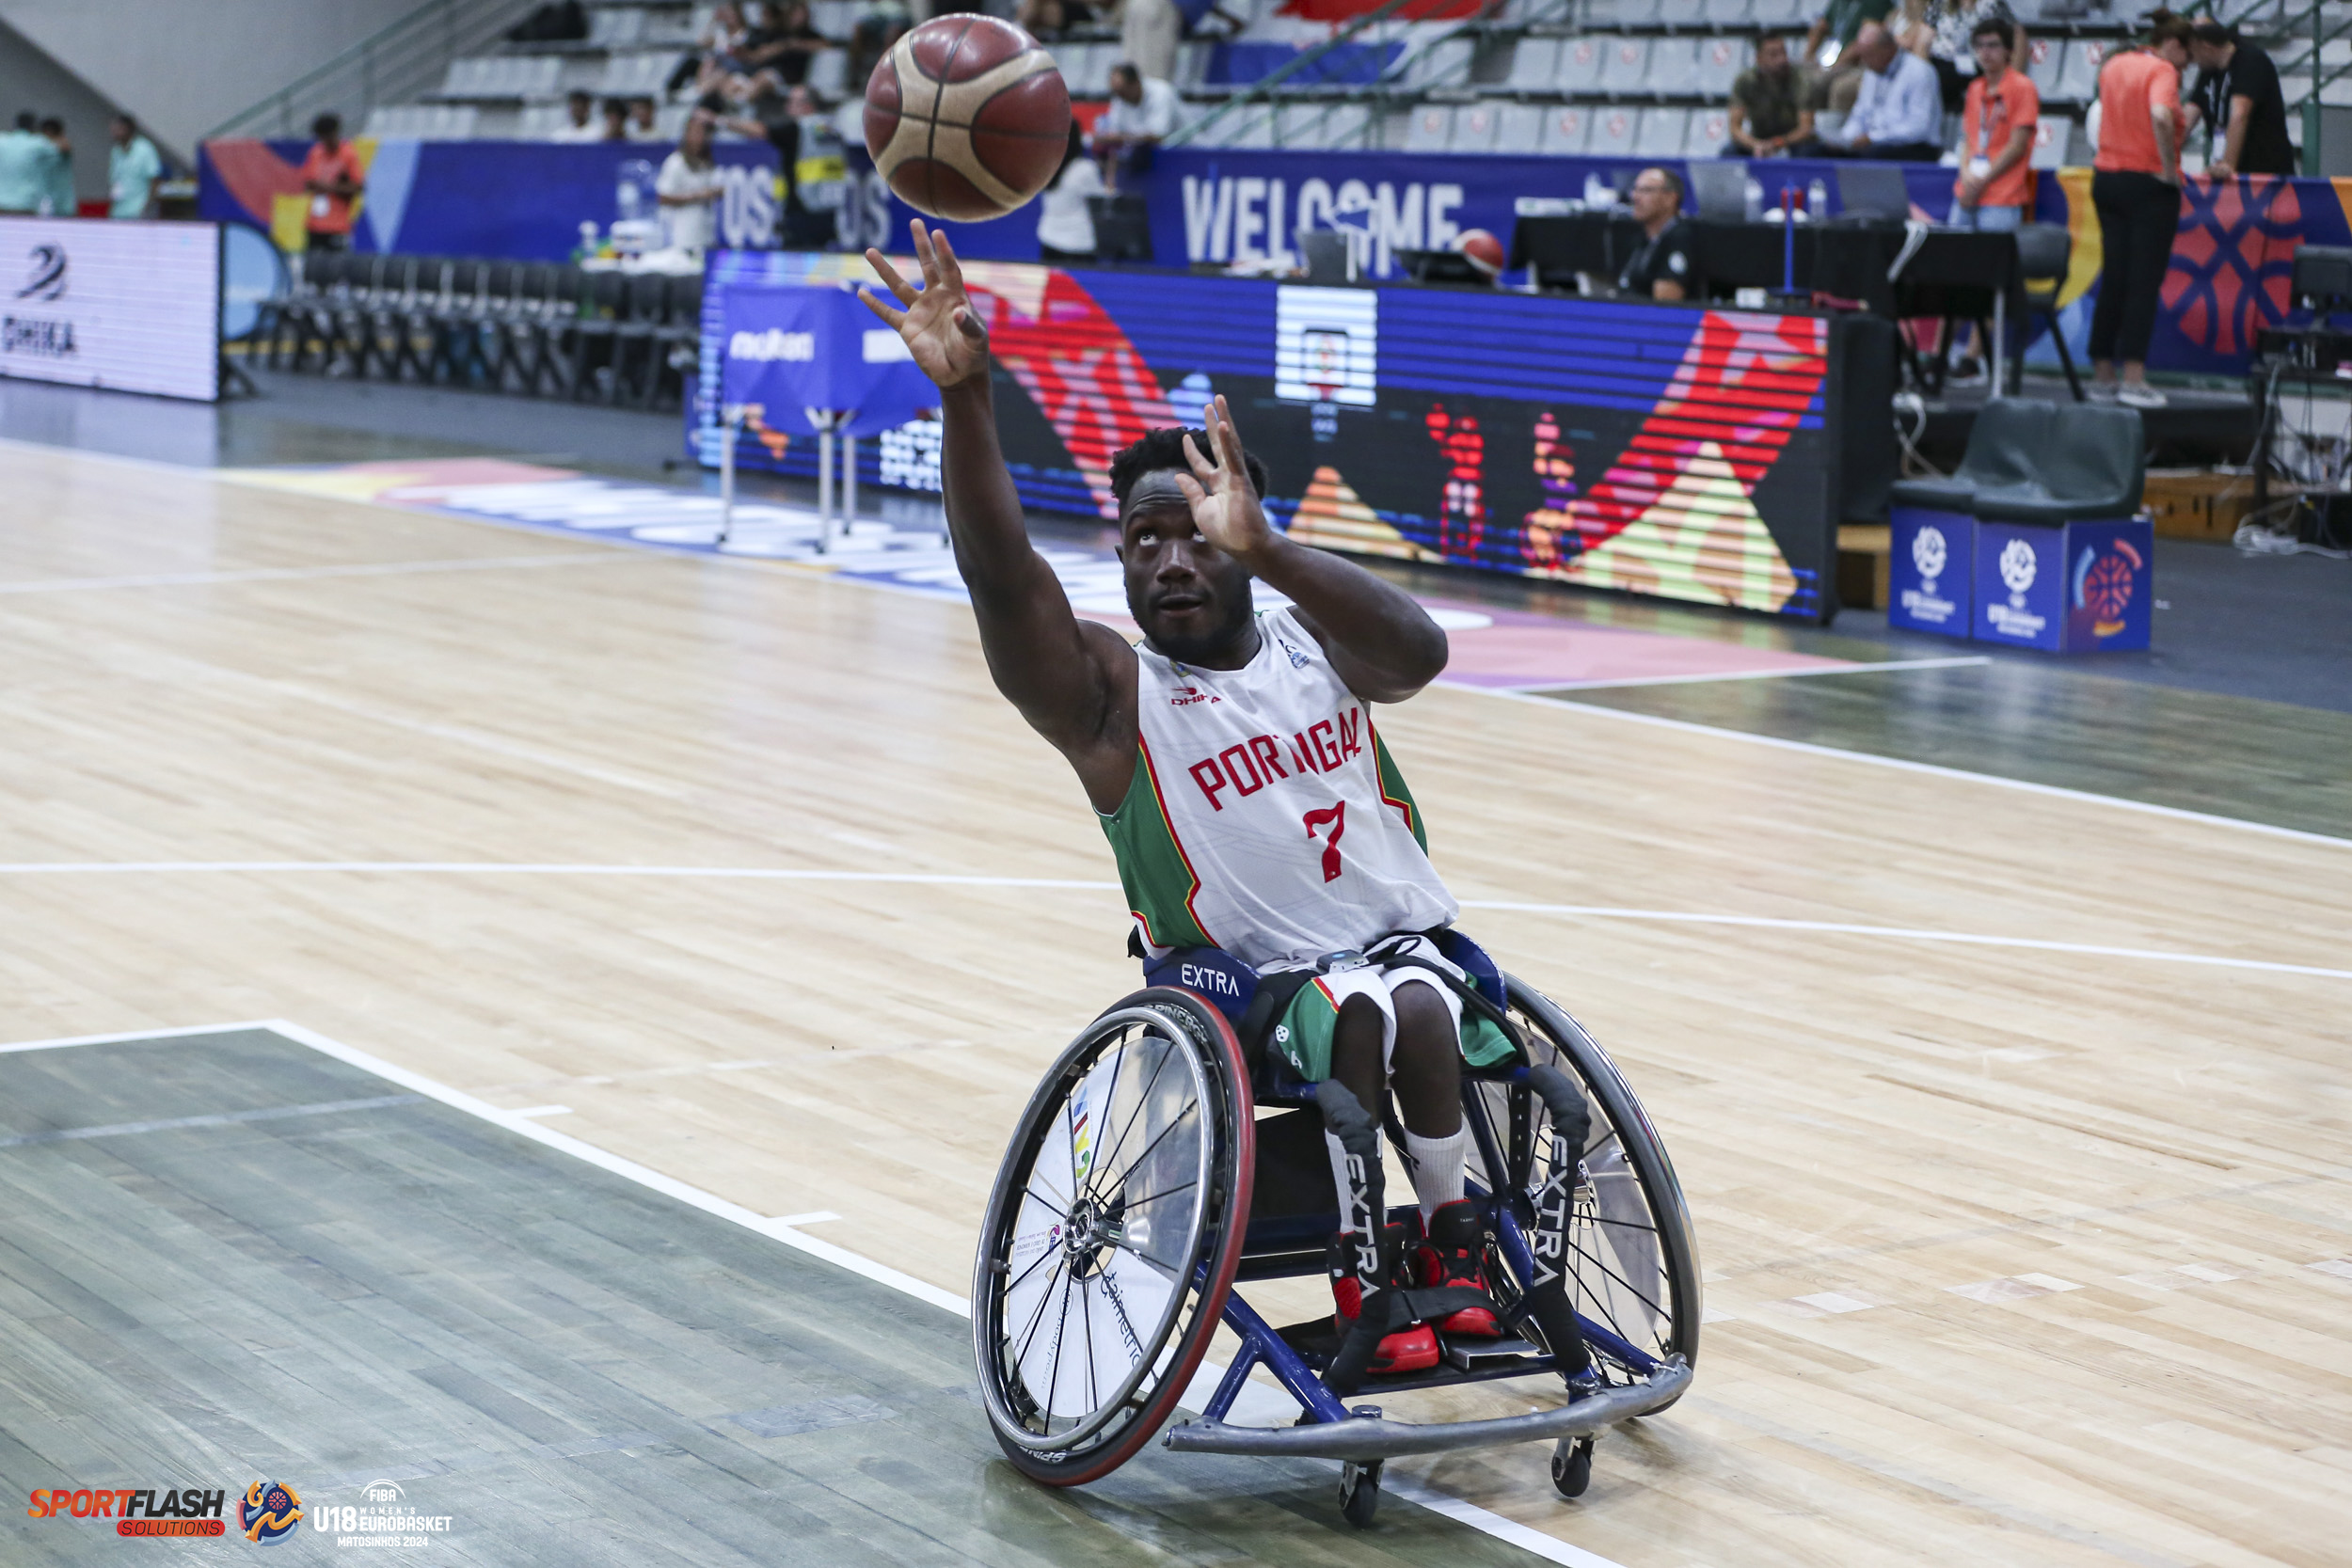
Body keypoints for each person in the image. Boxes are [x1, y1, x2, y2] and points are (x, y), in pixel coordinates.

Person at [859, 221, 1569, 1379]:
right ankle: (1363, 1271)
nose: (1172, 560)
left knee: (1415, 999)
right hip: (1240, 985)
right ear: (1121, 560)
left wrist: (1272, 549)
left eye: (1196, 536)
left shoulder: (1314, 638)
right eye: (1145, 541)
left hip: (1398, 947)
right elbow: (1001, 578)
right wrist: (967, 397)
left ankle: (1452, 1242)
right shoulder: (1110, 694)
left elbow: (1422, 653)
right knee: (1361, 1011)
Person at [2090, 12, 2192, 407]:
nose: (2185, 68)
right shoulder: (2162, 70)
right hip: (2148, 184)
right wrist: (2167, 168)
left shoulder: (2114, 64)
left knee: (2114, 276)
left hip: (2107, 178)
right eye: (2186, 58)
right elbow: (2161, 115)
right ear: (2174, 45)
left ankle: (2102, 374)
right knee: (2143, 282)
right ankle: (2134, 378)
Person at [724, 84, 844, 249]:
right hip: (828, 207)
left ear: (808, 106)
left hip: (802, 208)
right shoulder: (832, 128)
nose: (787, 107)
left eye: (792, 102)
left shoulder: (798, 129)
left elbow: (759, 130)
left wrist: (720, 120)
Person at [1951, 18, 2037, 229]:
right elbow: (1968, 139)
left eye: (1993, 45)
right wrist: (1966, 175)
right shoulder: (1975, 88)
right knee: (1953, 247)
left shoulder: (2023, 87)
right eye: (1980, 46)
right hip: (1967, 189)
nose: (1985, 52)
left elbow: (2017, 146)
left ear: (2008, 50)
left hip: (2002, 195)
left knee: (1993, 250)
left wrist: (1981, 180)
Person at [2184, 20, 2293, 179]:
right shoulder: (2209, 69)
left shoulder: (2250, 61)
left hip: (2264, 171)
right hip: (2232, 166)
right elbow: (2188, 118)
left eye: (2192, 53)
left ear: (2206, 48)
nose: (2191, 60)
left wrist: (2228, 165)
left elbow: (2239, 114)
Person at [1820, 21, 1943, 159]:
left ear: (1887, 49)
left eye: (1869, 55)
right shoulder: (1871, 72)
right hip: (1875, 143)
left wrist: (1873, 138)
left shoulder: (1919, 71)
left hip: (1915, 146)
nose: (1864, 61)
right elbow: (1860, 114)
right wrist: (1845, 139)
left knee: (1869, 156)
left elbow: (1919, 128)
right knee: (1817, 151)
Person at [1094, 62, 1183, 189]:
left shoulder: (1161, 93)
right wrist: (1110, 182)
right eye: (1116, 92)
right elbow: (1113, 140)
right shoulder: (1119, 98)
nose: (1120, 97)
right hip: (1144, 162)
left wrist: (1120, 138)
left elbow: (1158, 137)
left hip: (1180, 154)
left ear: (1135, 84)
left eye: (1122, 92)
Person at [1729, 35, 1817, 156]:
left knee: (1809, 152)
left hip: (1793, 141)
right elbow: (1735, 128)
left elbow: (1806, 128)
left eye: (1783, 53)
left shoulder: (1800, 79)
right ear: (1759, 58)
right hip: (1758, 139)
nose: (1782, 60)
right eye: (1773, 55)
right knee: (1730, 152)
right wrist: (1755, 144)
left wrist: (1778, 143)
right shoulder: (1745, 81)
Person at [1614, 167, 1692, 302]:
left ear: (1670, 198)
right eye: (1635, 189)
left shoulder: (1680, 239)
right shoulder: (1642, 238)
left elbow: (1666, 304)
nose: (1635, 197)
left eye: (1646, 190)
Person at [655, 109, 725, 253]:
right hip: (683, 239)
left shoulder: (708, 163)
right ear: (686, 134)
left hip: (706, 237)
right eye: (695, 132)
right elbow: (663, 197)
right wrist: (698, 195)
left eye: (703, 133)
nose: (700, 137)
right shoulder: (675, 162)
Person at [1035, 121, 1104, 263]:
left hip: (1048, 240)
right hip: (1078, 244)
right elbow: (1100, 201)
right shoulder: (1084, 169)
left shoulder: (1044, 164)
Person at [299, 113, 365, 252]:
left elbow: (358, 187)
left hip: (337, 226)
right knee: (312, 263)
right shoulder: (316, 153)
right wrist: (313, 185)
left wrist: (329, 187)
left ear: (335, 133)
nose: (324, 142)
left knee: (337, 264)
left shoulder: (348, 154)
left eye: (327, 137)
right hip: (314, 224)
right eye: (321, 138)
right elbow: (307, 182)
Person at [0, 112, 64, 215]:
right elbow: (61, 150)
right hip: (25, 203)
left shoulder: (2, 140)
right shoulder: (39, 143)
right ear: (34, 126)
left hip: (1, 202)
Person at [108, 114, 163, 219]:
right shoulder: (116, 151)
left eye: (117, 128)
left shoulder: (144, 149)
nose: (113, 132)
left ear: (127, 129)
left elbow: (155, 180)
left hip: (138, 211)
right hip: (118, 211)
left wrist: (148, 208)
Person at [39, 118, 73, 218]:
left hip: (63, 202)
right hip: (44, 200)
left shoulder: (63, 144)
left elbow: (65, 147)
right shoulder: (39, 148)